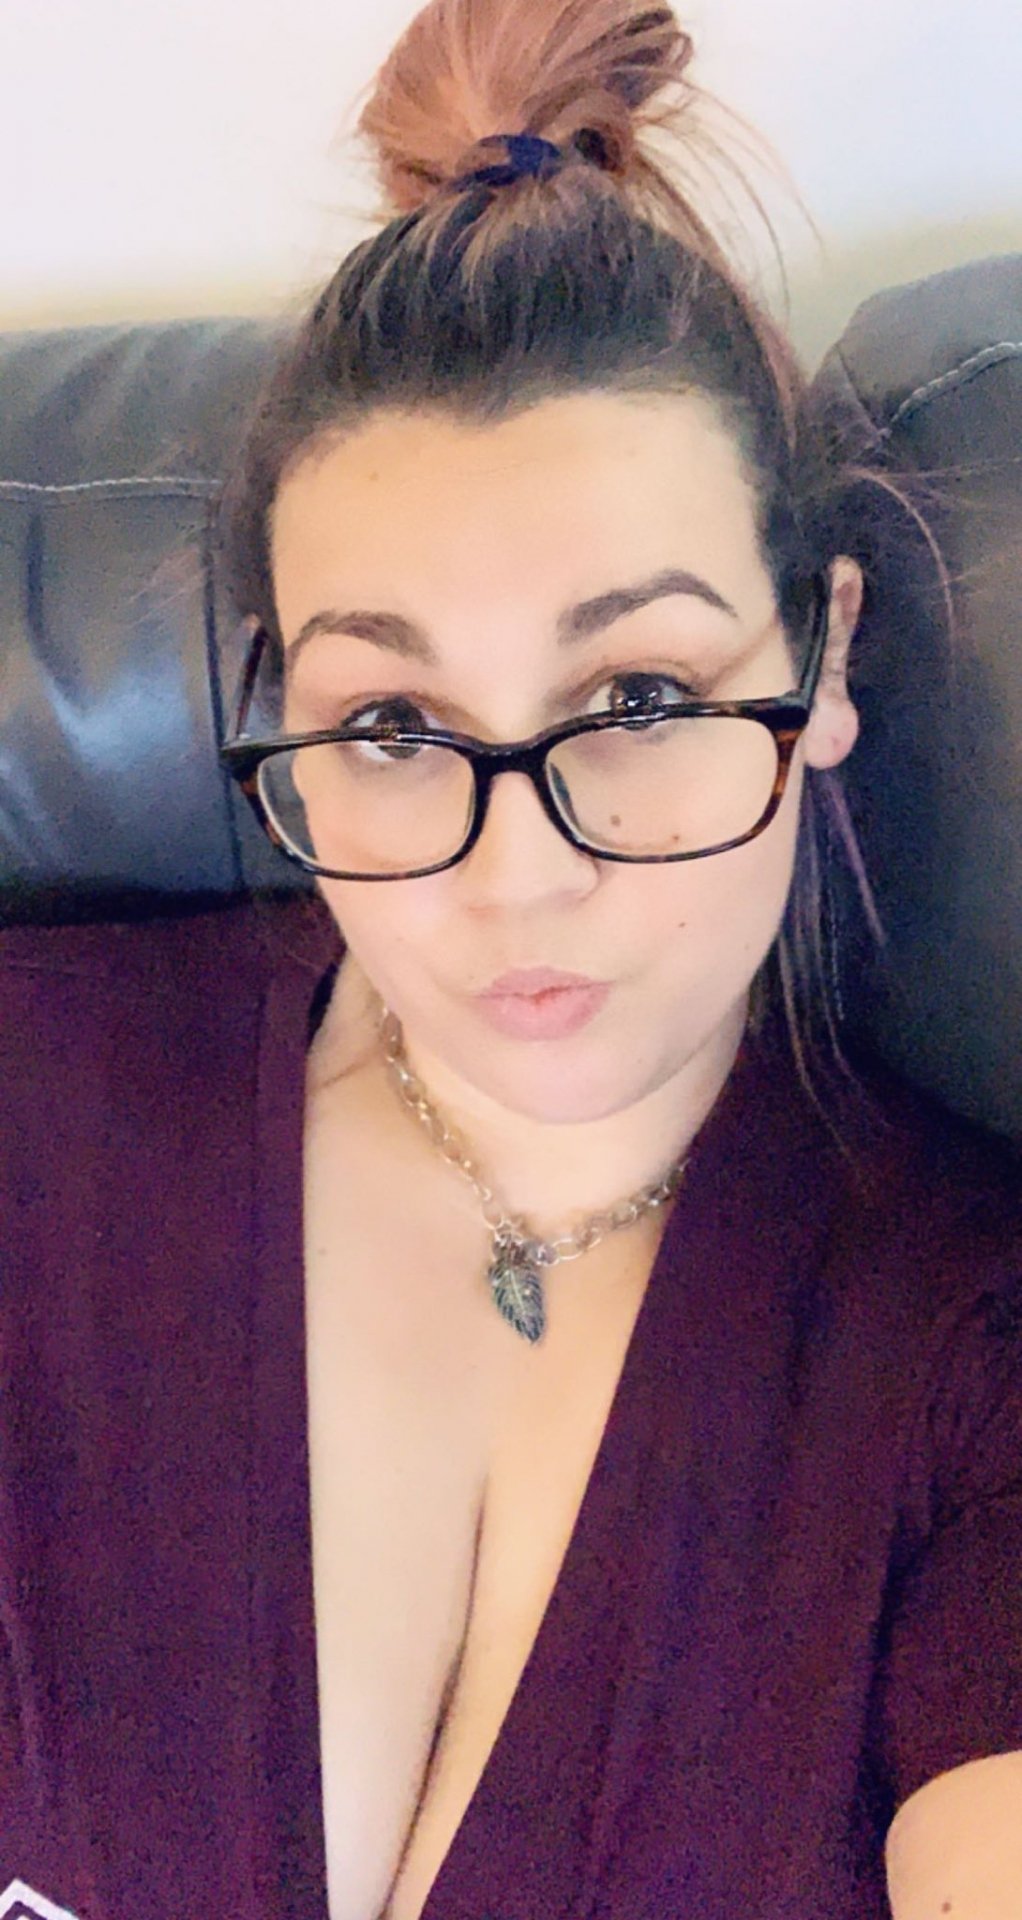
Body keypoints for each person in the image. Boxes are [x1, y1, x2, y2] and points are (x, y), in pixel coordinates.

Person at [1, 3, 1019, 1919]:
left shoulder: (969, 1354)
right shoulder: (26, 1120)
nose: (518, 874)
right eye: (390, 728)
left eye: (634, 696)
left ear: (820, 659)